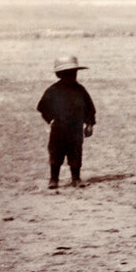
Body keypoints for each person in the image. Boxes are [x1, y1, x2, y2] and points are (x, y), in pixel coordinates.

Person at [37, 55, 96, 189]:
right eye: (67, 73)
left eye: (73, 73)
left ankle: (76, 178)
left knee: (75, 153)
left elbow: (90, 108)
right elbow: (42, 106)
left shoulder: (80, 90)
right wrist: (50, 120)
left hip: (75, 129)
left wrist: (90, 124)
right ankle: (54, 179)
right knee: (56, 154)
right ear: (60, 74)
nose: (71, 76)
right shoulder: (53, 90)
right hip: (58, 129)